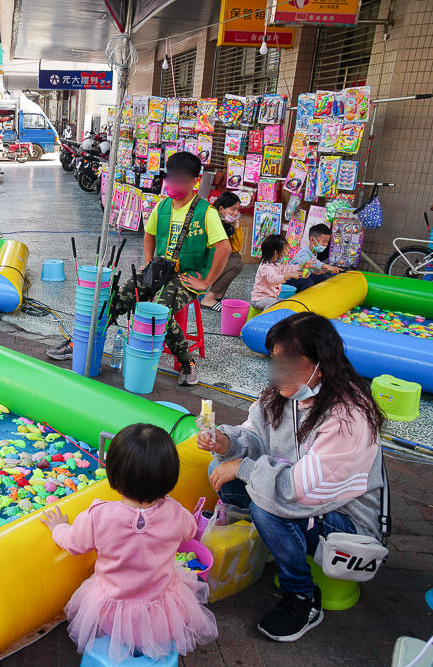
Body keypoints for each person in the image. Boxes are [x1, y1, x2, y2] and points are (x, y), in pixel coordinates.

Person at [199, 312, 386, 642]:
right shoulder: (283, 394)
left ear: (321, 361)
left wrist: (242, 467)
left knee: (266, 508)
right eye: (275, 360)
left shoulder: (348, 416)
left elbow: (296, 491)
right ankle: (276, 544)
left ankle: (303, 596)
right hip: (302, 498)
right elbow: (255, 436)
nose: (280, 371)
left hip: (347, 520)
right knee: (219, 470)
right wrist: (227, 443)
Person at [40, 424, 217, 661]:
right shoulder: (175, 513)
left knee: (113, 624)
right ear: (170, 477)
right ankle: (145, 644)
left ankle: (120, 643)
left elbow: (74, 543)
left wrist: (58, 527)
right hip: (159, 606)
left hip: (111, 608)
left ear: (113, 474)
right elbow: (190, 531)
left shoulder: (99, 515)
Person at [56, 152, 230, 386]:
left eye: (180, 179)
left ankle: (187, 362)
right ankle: (81, 344)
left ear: (193, 182)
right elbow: (148, 234)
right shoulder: (163, 206)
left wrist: (207, 282)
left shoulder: (206, 212)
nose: (173, 184)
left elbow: (224, 248)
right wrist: (148, 263)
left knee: (158, 310)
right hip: (159, 270)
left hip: (188, 277)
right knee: (116, 299)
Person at [200, 191, 245, 311]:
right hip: (200, 260)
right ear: (221, 209)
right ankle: (208, 299)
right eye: (233, 209)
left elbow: (236, 248)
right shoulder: (213, 221)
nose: (236, 213)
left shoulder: (225, 224)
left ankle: (216, 295)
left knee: (235, 258)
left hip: (209, 257)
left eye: (238, 210)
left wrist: (237, 226)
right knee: (235, 263)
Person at [249, 234, 302, 311]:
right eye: (284, 251)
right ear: (276, 253)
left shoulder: (275, 265)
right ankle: (266, 319)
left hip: (270, 297)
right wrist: (289, 275)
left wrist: (300, 266)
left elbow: (286, 268)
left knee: (287, 303)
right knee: (273, 303)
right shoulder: (265, 267)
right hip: (259, 299)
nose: (285, 254)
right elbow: (273, 279)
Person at [286, 223, 342, 292]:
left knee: (323, 278)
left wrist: (314, 272)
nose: (325, 244)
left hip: (303, 275)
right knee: (308, 282)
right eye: (323, 242)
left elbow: (309, 267)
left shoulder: (314, 252)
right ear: (312, 240)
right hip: (292, 278)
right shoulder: (304, 253)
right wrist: (328, 267)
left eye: (327, 242)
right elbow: (315, 263)